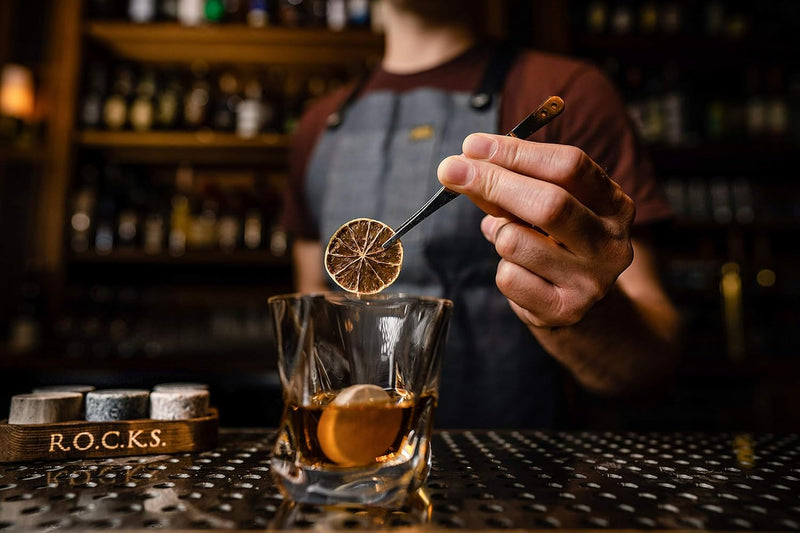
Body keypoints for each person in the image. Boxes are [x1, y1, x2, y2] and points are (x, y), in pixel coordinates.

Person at [280, 0, 681, 428]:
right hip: (354, 465)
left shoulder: (570, 92)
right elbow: (314, 329)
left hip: (515, 469)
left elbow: (649, 367)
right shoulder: (317, 125)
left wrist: (581, 317)